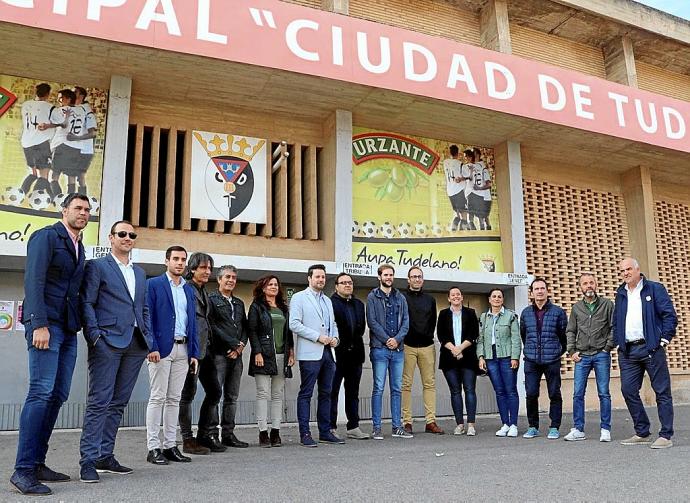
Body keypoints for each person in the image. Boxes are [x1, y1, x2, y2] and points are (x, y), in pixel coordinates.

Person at [10, 193, 90, 496]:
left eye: (86, 210)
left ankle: (38, 462)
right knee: (41, 392)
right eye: (78, 208)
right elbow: (34, 280)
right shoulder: (46, 237)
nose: (82, 213)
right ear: (64, 210)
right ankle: (23, 470)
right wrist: (38, 323)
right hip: (46, 325)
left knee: (58, 394)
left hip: (68, 329)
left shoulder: (79, 246)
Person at [78, 221, 153, 482]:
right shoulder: (97, 267)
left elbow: (142, 308)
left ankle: (104, 456)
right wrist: (94, 336)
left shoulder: (140, 273)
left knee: (118, 403)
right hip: (107, 342)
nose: (127, 238)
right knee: (99, 402)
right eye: (122, 234)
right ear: (111, 238)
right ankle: (87, 460)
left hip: (135, 344)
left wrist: (149, 338)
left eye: (132, 235)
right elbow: (87, 302)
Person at [614, 257, 677, 449]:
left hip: (651, 349)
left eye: (628, 269)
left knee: (661, 392)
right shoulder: (620, 293)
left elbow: (669, 315)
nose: (625, 273)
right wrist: (618, 342)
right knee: (628, 390)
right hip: (628, 351)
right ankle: (642, 431)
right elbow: (617, 320)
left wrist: (664, 339)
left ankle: (665, 435)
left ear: (637, 269)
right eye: (622, 270)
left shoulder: (654, 289)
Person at [145, 246, 199, 465]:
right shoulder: (154, 284)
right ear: (166, 261)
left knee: (174, 399)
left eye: (183, 259)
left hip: (183, 349)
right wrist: (151, 346)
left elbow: (192, 322)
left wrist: (194, 352)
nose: (180, 263)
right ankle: (153, 447)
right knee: (158, 397)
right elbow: (146, 316)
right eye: (175, 259)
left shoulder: (188, 289)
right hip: (161, 349)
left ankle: (169, 445)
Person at [289, 264, 342, 447]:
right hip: (310, 352)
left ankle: (325, 432)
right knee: (306, 393)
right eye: (317, 277)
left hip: (328, 353)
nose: (321, 280)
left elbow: (332, 323)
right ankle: (305, 433)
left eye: (323, 277)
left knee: (326, 393)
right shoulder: (299, 298)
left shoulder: (327, 300)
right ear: (309, 278)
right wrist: (317, 337)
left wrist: (335, 338)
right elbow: (294, 324)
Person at [564, 273, 614, 442]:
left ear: (596, 284)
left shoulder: (607, 304)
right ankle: (578, 429)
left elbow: (614, 327)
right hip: (582, 356)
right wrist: (571, 351)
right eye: (585, 283)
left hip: (601, 354)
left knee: (604, 393)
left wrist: (607, 348)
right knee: (578, 393)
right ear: (581, 287)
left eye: (591, 282)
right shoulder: (576, 307)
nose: (588, 286)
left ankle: (605, 429)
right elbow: (570, 330)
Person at [247, 275, 295, 447]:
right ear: (263, 287)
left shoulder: (283, 307)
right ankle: (262, 432)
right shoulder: (257, 306)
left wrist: (291, 351)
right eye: (270, 284)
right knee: (263, 394)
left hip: (282, 356)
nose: (274, 287)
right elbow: (252, 331)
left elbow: (288, 332)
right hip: (264, 356)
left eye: (276, 284)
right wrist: (257, 352)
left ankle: (275, 431)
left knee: (277, 395)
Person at [366, 264, 412, 440]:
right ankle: (376, 428)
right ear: (379, 277)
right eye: (385, 275)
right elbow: (372, 321)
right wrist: (387, 340)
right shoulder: (372, 296)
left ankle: (397, 427)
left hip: (398, 349)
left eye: (391, 275)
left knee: (396, 389)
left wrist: (397, 339)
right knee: (378, 388)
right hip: (380, 349)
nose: (388, 277)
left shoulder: (400, 297)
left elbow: (406, 322)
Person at [206, 265, 249, 449]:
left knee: (232, 396)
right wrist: (232, 344)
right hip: (219, 354)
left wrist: (240, 347)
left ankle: (228, 434)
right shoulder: (211, 299)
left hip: (236, 356)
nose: (231, 280)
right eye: (227, 277)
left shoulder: (239, 303)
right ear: (219, 280)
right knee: (215, 395)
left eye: (233, 277)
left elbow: (245, 328)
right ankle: (212, 434)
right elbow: (212, 326)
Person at [520, 278, 567, 440]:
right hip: (531, 360)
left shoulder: (558, 312)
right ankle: (533, 426)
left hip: (552, 359)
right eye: (536, 289)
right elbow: (524, 335)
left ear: (547, 291)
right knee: (531, 393)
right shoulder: (526, 313)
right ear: (531, 293)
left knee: (554, 393)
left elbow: (564, 337)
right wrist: (531, 351)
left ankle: (554, 426)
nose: (539, 291)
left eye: (542, 288)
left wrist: (556, 352)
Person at [178, 252, 215, 456]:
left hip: (206, 349)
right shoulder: (185, 289)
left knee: (215, 391)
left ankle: (203, 435)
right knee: (187, 395)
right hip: (190, 349)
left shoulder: (204, 291)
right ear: (192, 269)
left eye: (209, 268)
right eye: (203, 268)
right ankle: (187, 438)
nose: (207, 272)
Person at [402, 267, 443, 435]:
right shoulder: (402, 298)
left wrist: (427, 337)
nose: (417, 279)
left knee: (430, 384)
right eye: (413, 277)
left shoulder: (430, 299)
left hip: (427, 346)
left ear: (423, 280)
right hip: (407, 346)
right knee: (406, 385)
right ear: (408, 280)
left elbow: (432, 320)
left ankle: (430, 421)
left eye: (419, 277)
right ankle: (407, 422)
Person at [329, 273, 368, 440]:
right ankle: (330, 426)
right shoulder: (330, 303)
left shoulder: (359, 304)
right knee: (332, 391)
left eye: (350, 283)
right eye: (343, 283)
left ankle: (353, 426)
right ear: (336, 286)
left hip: (356, 355)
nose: (347, 285)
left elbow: (361, 328)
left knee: (353, 392)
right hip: (337, 354)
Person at [477, 288, 521, 437]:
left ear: (502, 300)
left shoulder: (510, 316)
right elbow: (481, 339)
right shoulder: (484, 317)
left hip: (507, 357)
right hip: (491, 358)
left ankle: (514, 424)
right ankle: (505, 424)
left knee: (511, 390)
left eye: (499, 297)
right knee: (500, 391)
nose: (496, 299)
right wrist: (481, 357)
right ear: (489, 299)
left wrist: (515, 357)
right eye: (494, 296)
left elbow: (516, 338)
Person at [436, 287, 479, 436]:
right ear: (449, 298)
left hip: (468, 357)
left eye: (458, 294)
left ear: (462, 297)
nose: (456, 297)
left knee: (469, 389)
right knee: (455, 391)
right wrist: (454, 350)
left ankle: (471, 425)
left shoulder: (471, 313)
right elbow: (441, 335)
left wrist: (460, 348)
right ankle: (460, 424)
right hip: (449, 358)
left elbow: (474, 333)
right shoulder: (443, 314)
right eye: (452, 295)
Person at [19, 83, 54, 194]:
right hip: (40, 143)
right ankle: (36, 198)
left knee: (33, 173)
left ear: (36, 91)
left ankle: (20, 195)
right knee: (44, 174)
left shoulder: (25, 104)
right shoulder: (49, 107)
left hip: (26, 142)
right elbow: (61, 123)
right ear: (48, 94)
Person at [67, 86, 97, 196]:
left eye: (75, 92)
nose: (72, 94)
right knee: (71, 175)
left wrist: (76, 138)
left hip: (84, 150)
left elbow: (93, 133)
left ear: (81, 96)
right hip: (73, 148)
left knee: (80, 176)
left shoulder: (87, 111)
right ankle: (69, 200)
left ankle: (83, 199)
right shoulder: (72, 109)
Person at [442, 145, 470, 231]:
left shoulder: (445, 162)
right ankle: (463, 226)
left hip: (450, 191)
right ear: (457, 153)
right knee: (464, 211)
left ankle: (455, 223)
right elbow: (468, 175)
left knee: (457, 210)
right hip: (458, 191)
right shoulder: (460, 164)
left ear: (449, 152)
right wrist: (461, 178)